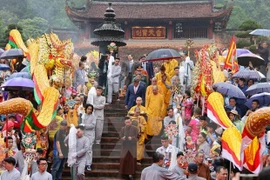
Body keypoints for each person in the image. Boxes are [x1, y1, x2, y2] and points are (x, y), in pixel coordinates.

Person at [81, 104, 96, 171]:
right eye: (88, 109)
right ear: (86, 109)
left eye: (90, 109)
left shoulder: (93, 116)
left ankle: (89, 164)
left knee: (89, 149)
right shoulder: (83, 115)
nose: (89, 110)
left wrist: (85, 126)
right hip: (83, 134)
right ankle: (83, 163)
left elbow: (93, 125)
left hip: (90, 134)